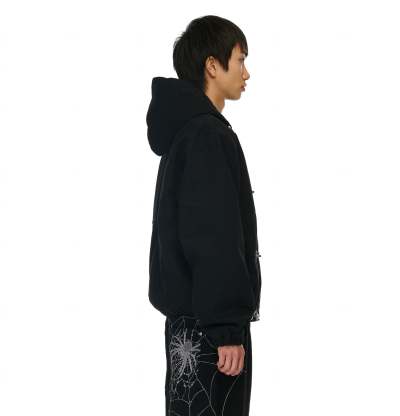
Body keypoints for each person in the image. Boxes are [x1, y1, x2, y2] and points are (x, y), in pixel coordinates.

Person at [146, 15, 262, 416]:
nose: (246, 73)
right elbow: (212, 235)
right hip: (211, 330)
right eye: (240, 60)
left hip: (189, 324)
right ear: (212, 65)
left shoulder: (184, 134)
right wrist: (227, 329)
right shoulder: (207, 136)